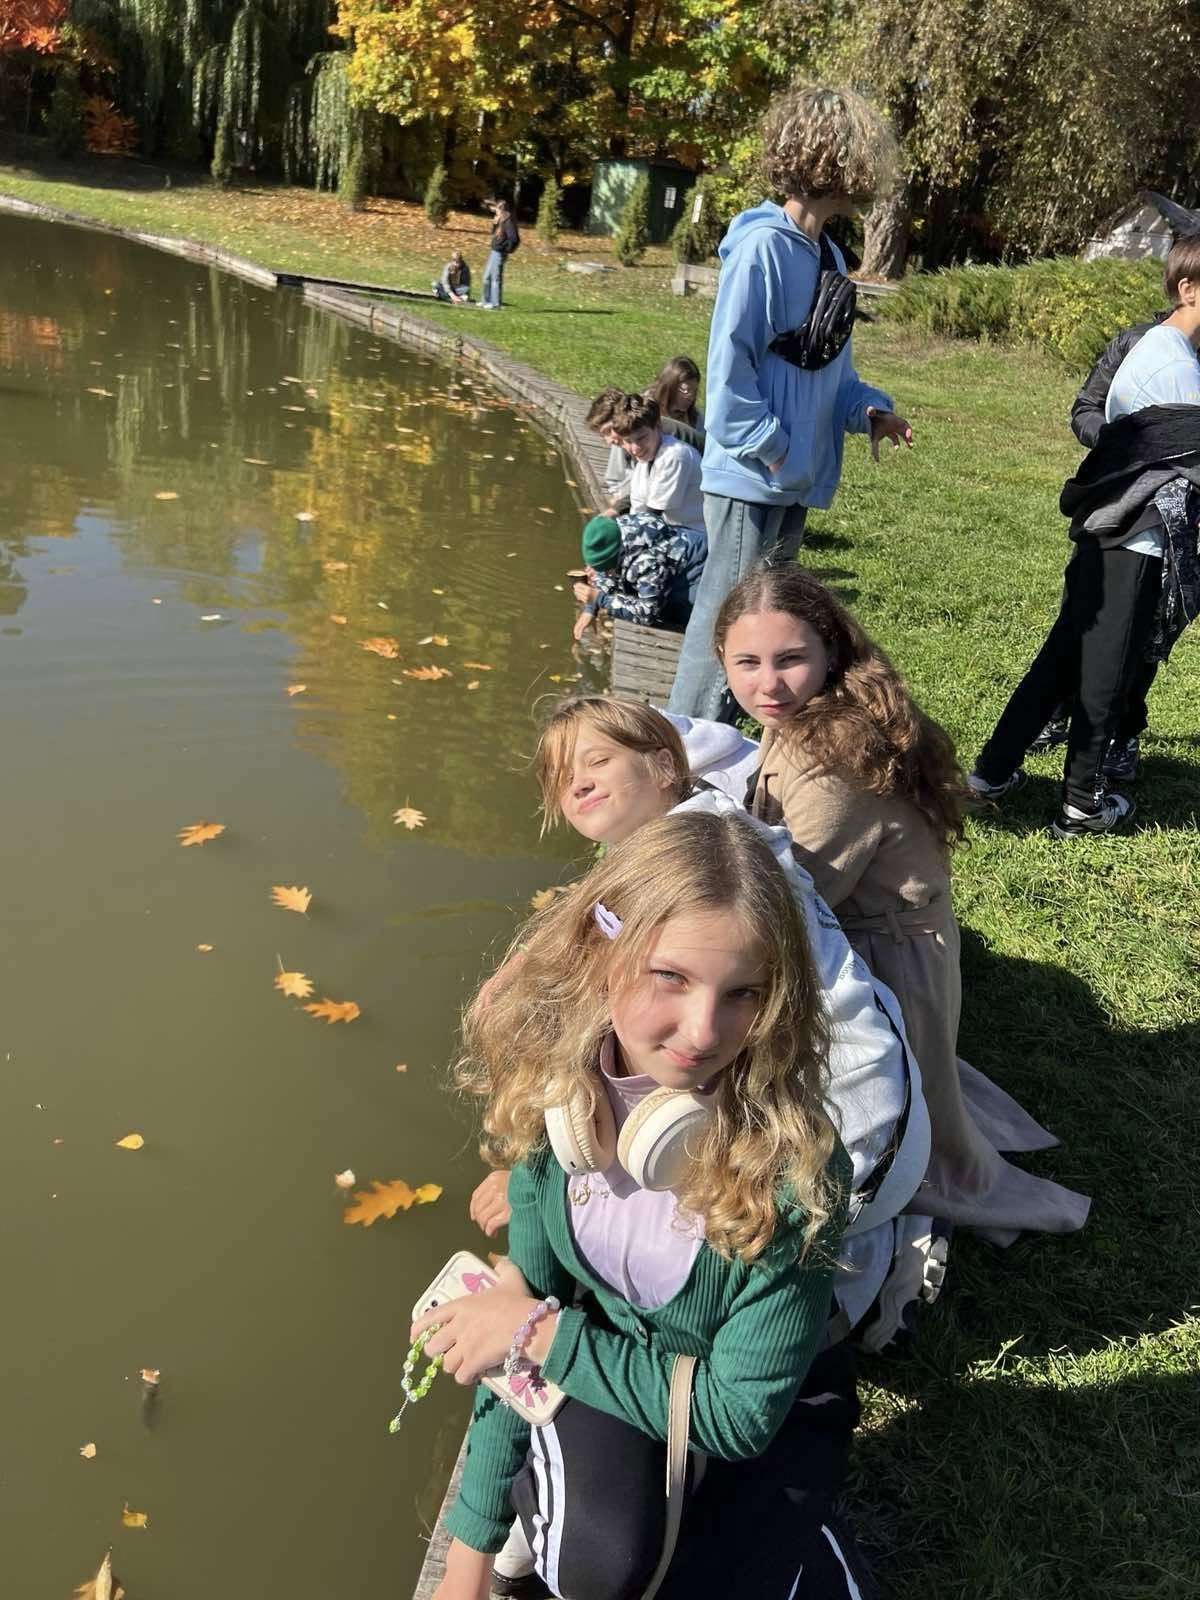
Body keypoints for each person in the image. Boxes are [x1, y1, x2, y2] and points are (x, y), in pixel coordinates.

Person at [420, 809, 882, 1600]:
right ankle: (540, 1506)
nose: (702, 1033)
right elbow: (512, 1337)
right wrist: (465, 1565)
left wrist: (541, 1333)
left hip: (751, 1405)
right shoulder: (555, 1104)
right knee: (598, 1567)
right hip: (617, 1371)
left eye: (743, 993)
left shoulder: (795, 1170)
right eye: (670, 977)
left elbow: (739, 1415)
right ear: (602, 956)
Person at [473, 695, 939, 1355]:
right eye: (560, 777)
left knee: (750, 1255)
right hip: (842, 1096)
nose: (576, 783)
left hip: (857, 1138)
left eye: (597, 761)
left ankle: (881, 1263)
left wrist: (543, 1167)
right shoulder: (679, 835)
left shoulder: (720, 875)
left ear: (667, 766)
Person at [710, 565, 1090, 1244]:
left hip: (894, 956)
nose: (768, 684)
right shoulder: (802, 715)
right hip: (884, 929)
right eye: (747, 663)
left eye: (790, 659)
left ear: (829, 652)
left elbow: (796, 901)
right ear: (722, 660)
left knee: (902, 1121)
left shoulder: (831, 763)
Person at [667, 84, 912, 723]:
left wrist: (870, 412)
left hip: (792, 479)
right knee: (729, 625)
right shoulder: (761, 249)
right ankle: (685, 750)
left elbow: (834, 375)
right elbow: (729, 372)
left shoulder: (828, 255)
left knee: (766, 625)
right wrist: (774, 448)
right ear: (832, 157)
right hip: (754, 475)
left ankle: (727, 747)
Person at [968, 233, 1200, 836]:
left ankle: (990, 775)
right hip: (1134, 538)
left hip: (1107, 532)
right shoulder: (1176, 366)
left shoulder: (1161, 349)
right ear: (1188, 288)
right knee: (1106, 673)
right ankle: (1083, 806)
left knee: (1061, 661)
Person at [572, 511, 706, 638]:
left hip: (702, 574)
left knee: (687, 618)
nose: (601, 573)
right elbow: (608, 573)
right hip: (676, 564)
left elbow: (647, 613)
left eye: (606, 568)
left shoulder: (648, 562)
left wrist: (600, 599)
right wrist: (591, 607)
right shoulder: (618, 533)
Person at [479, 199, 520, 311]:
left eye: (497, 209)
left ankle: (495, 304)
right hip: (493, 251)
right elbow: (494, 234)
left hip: (499, 253)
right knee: (486, 277)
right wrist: (495, 224)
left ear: (502, 210)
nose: (495, 212)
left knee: (495, 279)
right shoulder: (500, 220)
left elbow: (514, 239)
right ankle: (485, 300)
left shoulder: (508, 222)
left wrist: (505, 249)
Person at [646, 354, 704, 430]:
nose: (691, 397)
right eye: (686, 390)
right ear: (671, 386)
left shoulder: (696, 419)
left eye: (695, 390)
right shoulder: (645, 409)